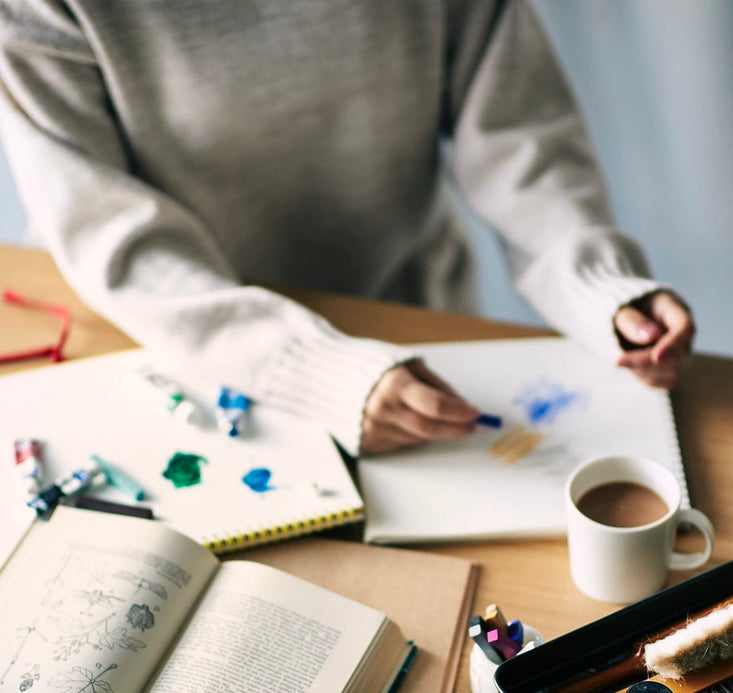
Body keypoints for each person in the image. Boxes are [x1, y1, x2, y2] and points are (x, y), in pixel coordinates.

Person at [0, 0, 695, 455]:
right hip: (160, 336)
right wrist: (318, 371)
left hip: (404, 310)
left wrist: (597, 287)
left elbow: (520, 139)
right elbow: (110, 230)